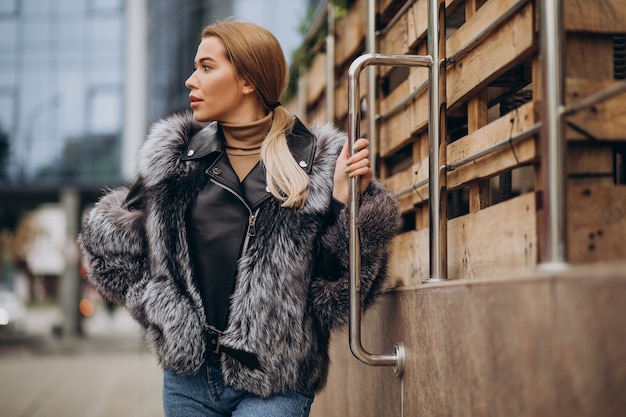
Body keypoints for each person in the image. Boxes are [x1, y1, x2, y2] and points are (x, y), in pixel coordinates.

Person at [78, 20, 400, 417]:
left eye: (206, 67)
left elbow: (339, 301)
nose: (190, 80)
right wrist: (162, 306)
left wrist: (342, 206)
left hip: (274, 382)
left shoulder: (319, 163)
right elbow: (107, 251)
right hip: (188, 380)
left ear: (247, 80)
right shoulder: (175, 160)